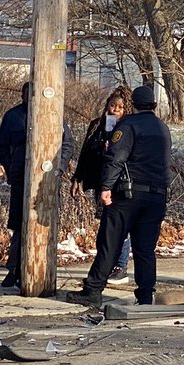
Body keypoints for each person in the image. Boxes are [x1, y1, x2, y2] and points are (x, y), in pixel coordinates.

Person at [67, 84, 171, 307]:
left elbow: (116, 158)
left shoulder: (128, 126)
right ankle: (145, 296)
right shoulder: (163, 128)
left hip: (127, 196)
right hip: (156, 197)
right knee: (145, 249)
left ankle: (93, 291)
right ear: (152, 104)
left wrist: (105, 188)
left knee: (110, 243)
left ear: (133, 105)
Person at [0, 81, 74, 290]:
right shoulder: (13, 116)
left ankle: (43, 268)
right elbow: (1, 146)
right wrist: (11, 167)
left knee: (44, 221)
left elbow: (67, 143)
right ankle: (14, 269)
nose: (30, 99)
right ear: (22, 96)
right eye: (27, 95)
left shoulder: (53, 114)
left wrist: (60, 167)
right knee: (20, 223)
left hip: (46, 179)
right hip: (21, 175)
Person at [71, 86, 133, 285]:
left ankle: (120, 266)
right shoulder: (97, 125)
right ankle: (106, 266)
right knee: (105, 224)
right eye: (112, 105)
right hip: (100, 179)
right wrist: (77, 177)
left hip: (120, 182)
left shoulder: (128, 127)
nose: (115, 110)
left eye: (120, 107)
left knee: (119, 225)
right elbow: (85, 152)